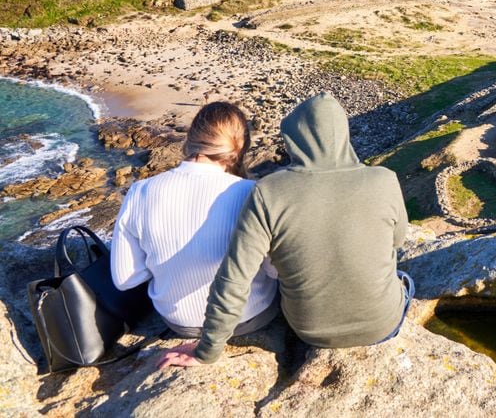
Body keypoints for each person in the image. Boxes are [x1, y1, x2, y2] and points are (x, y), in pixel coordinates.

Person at [158, 92, 411, 368]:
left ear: (293, 140)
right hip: (382, 325)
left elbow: (234, 279)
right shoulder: (384, 180)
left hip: (310, 331)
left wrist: (206, 352)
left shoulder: (269, 191)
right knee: (403, 276)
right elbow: (397, 242)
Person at [111, 102, 278, 338]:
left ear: (191, 139)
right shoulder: (254, 192)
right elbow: (274, 271)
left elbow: (125, 279)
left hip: (178, 321)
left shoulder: (140, 191)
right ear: (240, 147)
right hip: (250, 315)